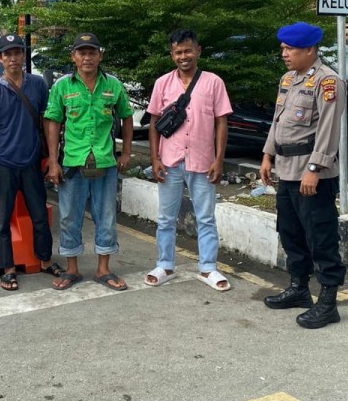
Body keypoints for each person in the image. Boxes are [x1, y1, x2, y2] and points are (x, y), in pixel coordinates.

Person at [260, 22, 347, 329]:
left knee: (320, 236)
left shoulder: (328, 81)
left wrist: (315, 169)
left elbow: (328, 130)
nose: (284, 54)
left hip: (312, 176)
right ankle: (299, 288)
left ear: (309, 50)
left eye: (290, 49)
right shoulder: (289, 79)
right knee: (290, 231)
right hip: (286, 169)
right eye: (283, 48)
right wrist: (267, 155)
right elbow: (278, 121)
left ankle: (328, 302)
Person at [145, 29, 233, 291]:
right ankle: (165, 265)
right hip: (170, 160)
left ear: (198, 51)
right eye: (178, 52)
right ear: (172, 54)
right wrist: (155, 158)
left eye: (188, 50)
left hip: (203, 161)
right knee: (165, 218)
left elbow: (221, 122)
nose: (184, 56)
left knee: (206, 217)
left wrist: (219, 159)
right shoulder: (163, 83)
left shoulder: (213, 82)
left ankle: (208, 268)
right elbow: (153, 123)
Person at [44, 33, 133, 291]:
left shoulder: (113, 85)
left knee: (105, 215)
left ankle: (103, 269)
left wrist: (126, 152)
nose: (87, 57)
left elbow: (127, 117)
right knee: (70, 216)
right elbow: (52, 122)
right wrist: (53, 161)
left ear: (100, 55)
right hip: (72, 163)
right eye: (81, 52)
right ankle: (72, 270)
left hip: (105, 163)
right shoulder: (63, 86)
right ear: (73, 56)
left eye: (92, 52)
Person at [0, 33, 60, 291]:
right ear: (0, 58)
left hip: (31, 161)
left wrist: (52, 158)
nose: (13, 58)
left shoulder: (37, 85)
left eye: (17, 53)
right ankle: (8, 268)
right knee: (2, 219)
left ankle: (45, 261)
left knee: (39, 215)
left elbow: (48, 122)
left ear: (23, 56)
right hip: (3, 163)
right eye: (8, 54)